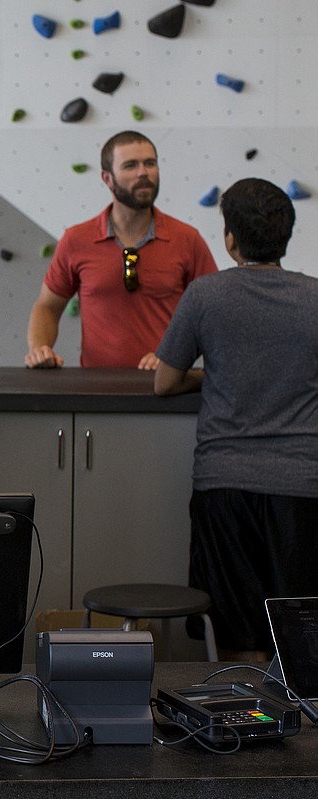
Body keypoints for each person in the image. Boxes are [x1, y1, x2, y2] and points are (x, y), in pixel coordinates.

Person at [154, 177, 318, 659]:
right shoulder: (315, 298)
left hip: (225, 485)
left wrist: (216, 374)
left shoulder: (207, 295)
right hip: (303, 487)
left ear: (230, 237)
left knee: (238, 634)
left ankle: (244, 725)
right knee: (300, 632)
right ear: (287, 234)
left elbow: (164, 381)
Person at [25, 131, 217, 369]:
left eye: (150, 163)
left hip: (167, 392)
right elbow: (47, 307)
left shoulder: (187, 239)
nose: (143, 172)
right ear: (107, 178)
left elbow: (213, 315)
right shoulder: (76, 240)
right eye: (130, 165)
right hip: (96, 393)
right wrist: (40, 349)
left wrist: (177, 356)